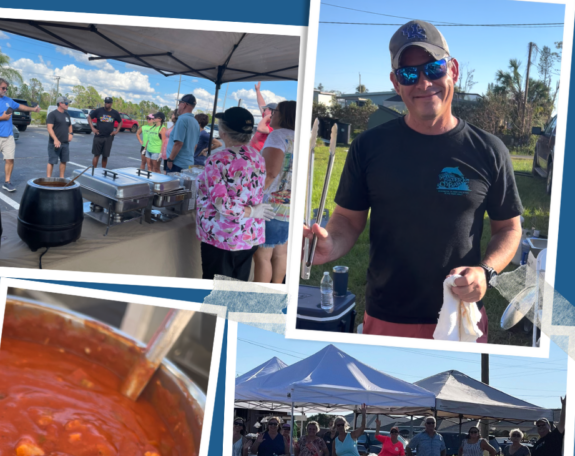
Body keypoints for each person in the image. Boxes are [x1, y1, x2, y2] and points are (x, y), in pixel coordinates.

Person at [303, 20, 522, 342]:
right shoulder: (369, 146)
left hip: (461, 312)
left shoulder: (489, 150)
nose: (423, 82)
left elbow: (509, 228)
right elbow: (347, 221)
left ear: (453, 70)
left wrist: (485, 271)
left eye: (433, 69)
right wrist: (330, 244)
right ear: (395, 82)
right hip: (387, 314)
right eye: (409, 74)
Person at [195, 106, 274, 281]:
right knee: (237, 288)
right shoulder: (257, 156)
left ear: (223, 132)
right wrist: (253, 212)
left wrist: (252, 211)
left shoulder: (217, 159)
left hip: (223, 237)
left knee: (217, 295)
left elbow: (222, 204)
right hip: (248, 234)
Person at [254, 100, 297, 284]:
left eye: (275, 111)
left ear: (284, 114)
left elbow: (270, 172)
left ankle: (259, 299)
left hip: (271, 203)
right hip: (290, 204)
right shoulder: (299, 136)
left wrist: (254, 196)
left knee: (262, 256)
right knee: (281, 253)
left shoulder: (278, 136)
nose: (271, 114)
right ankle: (277, 290)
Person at [0, 78, 40, 192]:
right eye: (3, 88)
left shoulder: (8, 100)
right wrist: (2, 117)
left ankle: (7, 182)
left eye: (6, 88)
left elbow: (20, 106)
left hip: (8, 136)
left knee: (10, 159)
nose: (5, 90)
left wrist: (33, 109)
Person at [164, 94, 200, 173]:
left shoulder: (182, 119)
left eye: (179, 103)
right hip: (188, 163)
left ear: (184, 105)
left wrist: (170, 160)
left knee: (172, 185)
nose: (178, 105)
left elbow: (178, 143)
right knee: (184, 185)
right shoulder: (195, 122)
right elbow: (195, 145)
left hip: (176, 164)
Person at [89, 97, 122, 169]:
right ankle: (93, 171)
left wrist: (116, 131)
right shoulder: (99, 111)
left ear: (111, 103)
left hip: (108, 137)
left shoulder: (114, 113)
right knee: (96, 155)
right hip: (98, 136)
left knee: (105, 155)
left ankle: (102, 171)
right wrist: (92, 128)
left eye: (108, 103)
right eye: (106, 102)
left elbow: (120, 122)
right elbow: (89, 117)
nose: (107, 104)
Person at [45, 96, 73, 178]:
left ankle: (62, 178)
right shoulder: (52, 114)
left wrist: (71, 134)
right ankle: (48, 179)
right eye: (66, 103)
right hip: (54, 143)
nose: (68, 105)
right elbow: (49, 128)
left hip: (65, 143)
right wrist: (55, 140)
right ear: (60, 103)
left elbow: (70, 125)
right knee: (52, 161)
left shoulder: (66, 115)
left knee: (64, 161)